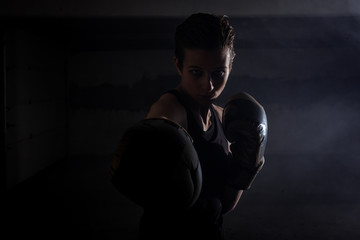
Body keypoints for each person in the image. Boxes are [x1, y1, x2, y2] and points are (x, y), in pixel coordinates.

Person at [110, 13, 268, 240]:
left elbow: (225, 204)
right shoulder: (171, 109)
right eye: (196, 72)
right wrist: (155, 134)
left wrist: (247, 164)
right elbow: (160, 124)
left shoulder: (226, 119)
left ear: (230, 65)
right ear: (178, 65)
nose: (208, 85)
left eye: (218, 73)